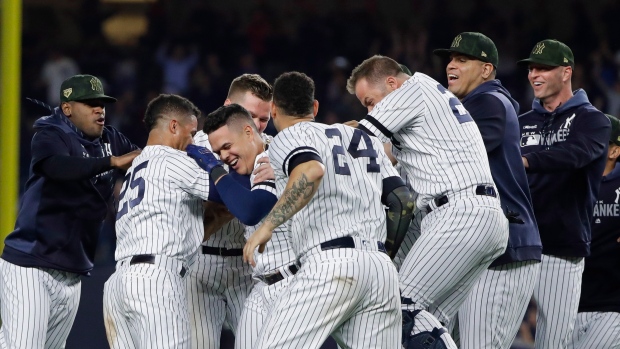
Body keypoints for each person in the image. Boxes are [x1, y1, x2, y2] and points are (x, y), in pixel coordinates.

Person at [240, 71, 413, 348]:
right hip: (380, 269)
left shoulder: (290, 135)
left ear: (273, 110)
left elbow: (310, 170)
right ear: (315, 107)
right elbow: (402, 200)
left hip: (330, 264)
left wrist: (267, 225)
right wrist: (382, 255)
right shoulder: (363, 138)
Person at [347, 55, 510, 348]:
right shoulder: (427, 104)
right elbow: (386, 163)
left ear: (392, 83)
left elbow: (358, 140)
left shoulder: (414, 89)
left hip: (460, 214)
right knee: (428, 322)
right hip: (477, 215)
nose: (371, 110)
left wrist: (304, 142)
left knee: (397, 307)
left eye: (370, 101)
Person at [0, 74, 140, 349]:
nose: (99, 109)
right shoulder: (50, 134)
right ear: (67, 108)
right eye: (90, 103)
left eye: (102, 103)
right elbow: (57, 168)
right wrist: (111, 162)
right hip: (31, 265)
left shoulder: (111, 138)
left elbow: (148, 159)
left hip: (73, 270)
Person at [433, 32, 542, 348]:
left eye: (462, 59)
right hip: (486, 247)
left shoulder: (488, 101)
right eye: (450, 59)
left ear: (486, 69)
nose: (451, 65)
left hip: (505, 249)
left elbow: (459, 154)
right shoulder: (471, 104)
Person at [517, 39, 611, 349]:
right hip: (517, 245)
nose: (534, 74)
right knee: (490, 337)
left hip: (561, 247)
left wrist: (528, 159)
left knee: (554, 343)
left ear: (566, 72)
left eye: (543, 67)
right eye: (531, 68)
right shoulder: (520, 123)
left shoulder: (592, 120)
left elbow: (576, 154)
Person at [102, 94, 207, 349]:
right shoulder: (173, 159)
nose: (192, 141)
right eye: (190, 132)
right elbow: (223, 191)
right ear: (173, 126)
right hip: (155, 278)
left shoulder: (135, 166)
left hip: (117, 284)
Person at [187, 103, 295, 349]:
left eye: (227, 146)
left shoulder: (273, 159)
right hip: (262, 285)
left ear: (248, 132)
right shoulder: (247, 167)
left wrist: (214, 169)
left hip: (292, 280)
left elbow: (249, 210)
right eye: (218, 152)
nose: (224, 156)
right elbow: (224, 191)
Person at [568, 114, 620, 349]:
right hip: (569, 304)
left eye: (598, 140)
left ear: (614, 151)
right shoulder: (570, 183)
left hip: (613, 305)